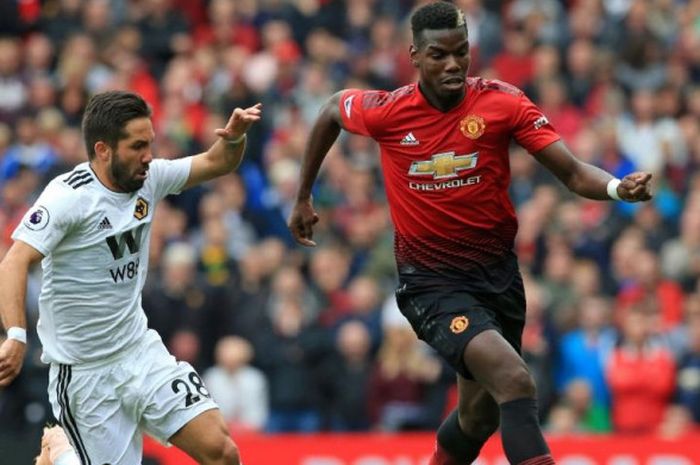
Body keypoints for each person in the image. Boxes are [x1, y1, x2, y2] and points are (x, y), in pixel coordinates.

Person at [287, 2, 653, 465]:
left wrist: (618, 188)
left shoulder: (502, 103)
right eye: (439, 55)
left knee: (479, 418)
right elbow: (328, 111)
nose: (454, 64)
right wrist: (303, 195)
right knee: (515, 382)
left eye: (462, 52)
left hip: (498, 279)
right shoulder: (387, 112)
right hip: (431, 283)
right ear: (415, 56)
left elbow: (574, 173)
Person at [0, 90, 261, 465]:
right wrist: (15, 336)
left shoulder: (149, 179)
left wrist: (234, 136)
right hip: (86, 377)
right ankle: (60, 456)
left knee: (223, 452)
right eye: (138, 146)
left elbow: (217, 161)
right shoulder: (68, 198)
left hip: (140, 352)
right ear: (104, 150)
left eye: (150, 144)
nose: (149, 156)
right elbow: (13, 262)